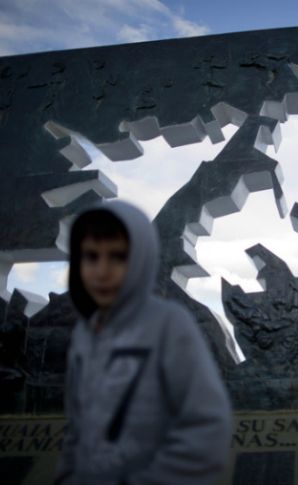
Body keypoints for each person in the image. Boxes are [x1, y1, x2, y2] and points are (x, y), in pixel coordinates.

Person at [55, 200, 233, 485]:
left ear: (140, 258)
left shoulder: (169, 324)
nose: (102, 271)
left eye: (117, 256)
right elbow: (78, 425)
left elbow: (206, 425)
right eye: (91, 256)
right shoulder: (84, 334)